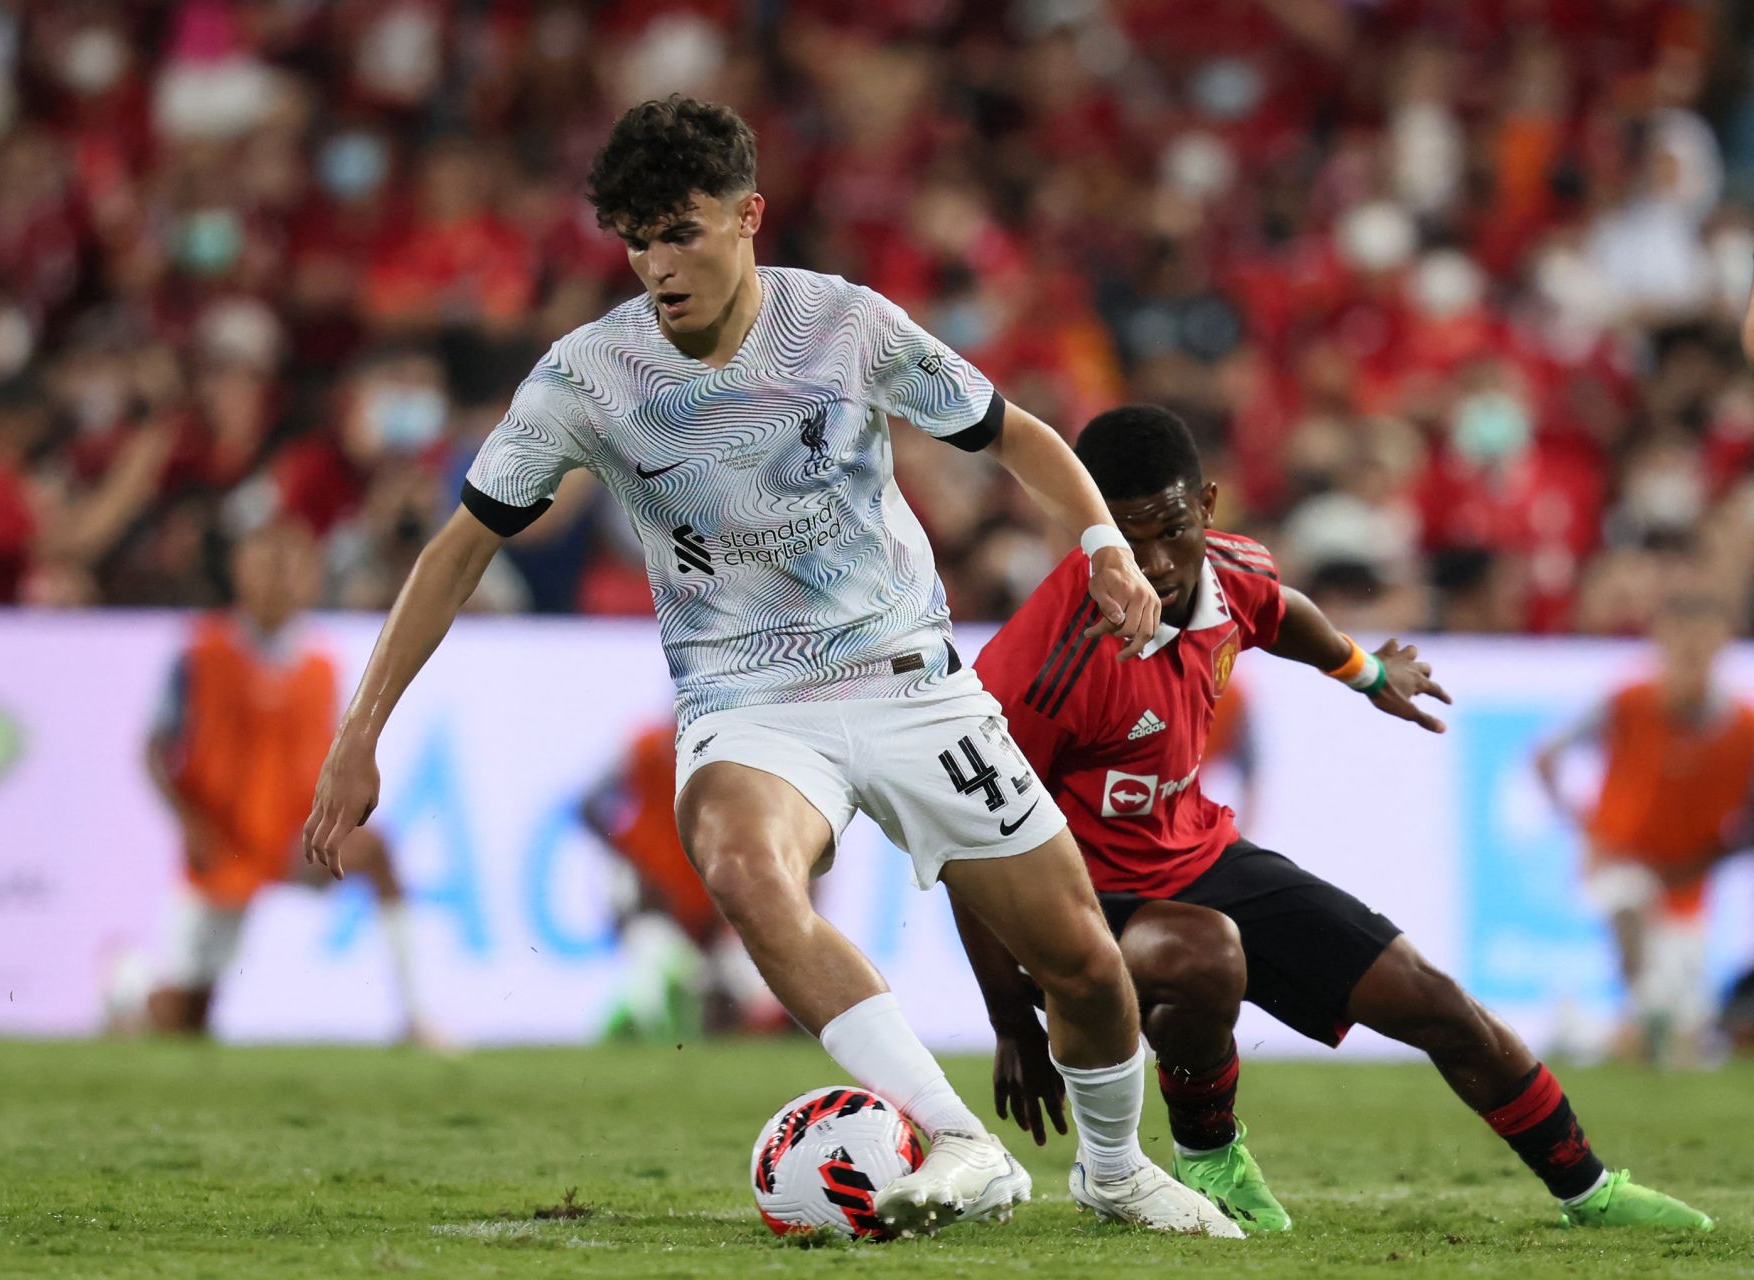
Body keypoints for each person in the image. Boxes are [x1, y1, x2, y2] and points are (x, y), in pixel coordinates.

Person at [302, 96, 1239, 1239]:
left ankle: (1114, 1169)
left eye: (682, 231)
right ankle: (956, 1137)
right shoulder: (584, 379)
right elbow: (459, 550)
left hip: (909, 678)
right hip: (747, 698)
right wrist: (360, 733)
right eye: (637, 240)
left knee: (1086, 967)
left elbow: (1016, 433)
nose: (657, 265)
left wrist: (1100, 542)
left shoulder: (846, 325)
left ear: (749, 216)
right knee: (742, 861)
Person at [965, 405, 1714, 1233]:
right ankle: (1207, 1154)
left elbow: (1282, 613)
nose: (1154, 563)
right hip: (1082, 902)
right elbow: (972, 838)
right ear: (1090, 530)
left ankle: (1589, 1190)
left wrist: (1365, 672)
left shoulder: (1231, 569)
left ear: (1207, 506)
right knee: (1204, 952)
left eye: (1171, 531)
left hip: (1200, 852)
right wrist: (1010, 1026)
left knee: (1435, 1001)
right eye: (1125, 537)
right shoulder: (1042, 663)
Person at [146, 518, 436, 1044]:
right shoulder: (200, 654)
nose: (279, 581)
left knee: (377, 854)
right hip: (223, 843)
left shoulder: (322, 665)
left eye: (292, 567)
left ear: (311, 579)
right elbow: (153, 750)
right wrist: (189, 824)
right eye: (266, 566)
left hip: (291, 838)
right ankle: (125, 992)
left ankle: (415, 1018)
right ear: (239, 574)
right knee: (184, 1018)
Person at [1535, 591, 1754, 1066]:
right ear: (1662, 642)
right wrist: (1582, 827)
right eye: (1683, 640)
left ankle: (1578, 1033)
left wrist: (1711, 857)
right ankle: (1644, 1005)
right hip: (1620, 856)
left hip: (1685, 883)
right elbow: (1546, 755)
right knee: (1625, 900)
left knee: (1684, 1043)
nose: (1693, 653)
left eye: (1704, 641)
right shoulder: (1627, 702)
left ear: (1722, 645)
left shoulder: (1743, 726)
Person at [579, 719, 785, 1041]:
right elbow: (587, 804)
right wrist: (633, 856)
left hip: (708, 906)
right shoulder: (649, 747)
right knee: (663, 976)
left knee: (751, 994)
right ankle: (630, 1029)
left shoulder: (735, 751)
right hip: (655, 903)